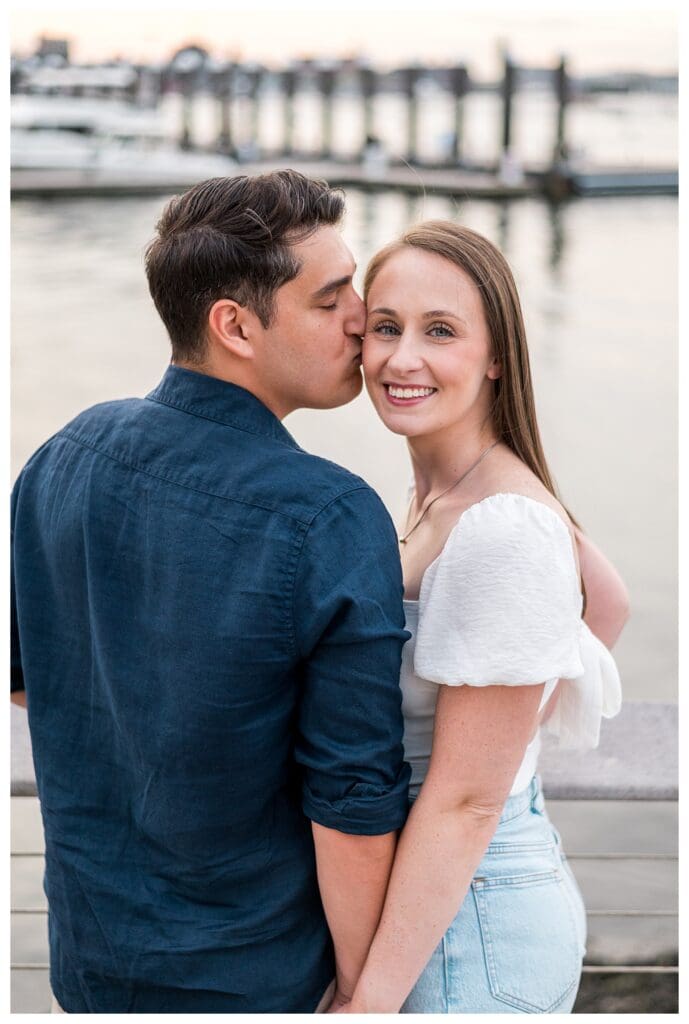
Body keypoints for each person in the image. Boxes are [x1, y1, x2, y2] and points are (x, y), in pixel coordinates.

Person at [10, 171, 412, 1013]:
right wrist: (358, 988)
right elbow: (350, 797)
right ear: (233, 324)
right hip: (254, 973)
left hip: (87, 958)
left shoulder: (59, 456)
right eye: (330, 297)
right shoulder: (327, 514)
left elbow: (25, 678)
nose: (363, 319)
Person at [332, 221, 629, 1013]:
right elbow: (608, 602)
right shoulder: (449, 495)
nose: (401, 359)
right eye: (386, 328)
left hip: (470, 917)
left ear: (495, 356)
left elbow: (465, 803)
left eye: (440, 332)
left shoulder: (501, 525)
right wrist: (508, 728)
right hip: (444, 893)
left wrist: (368, 1004)